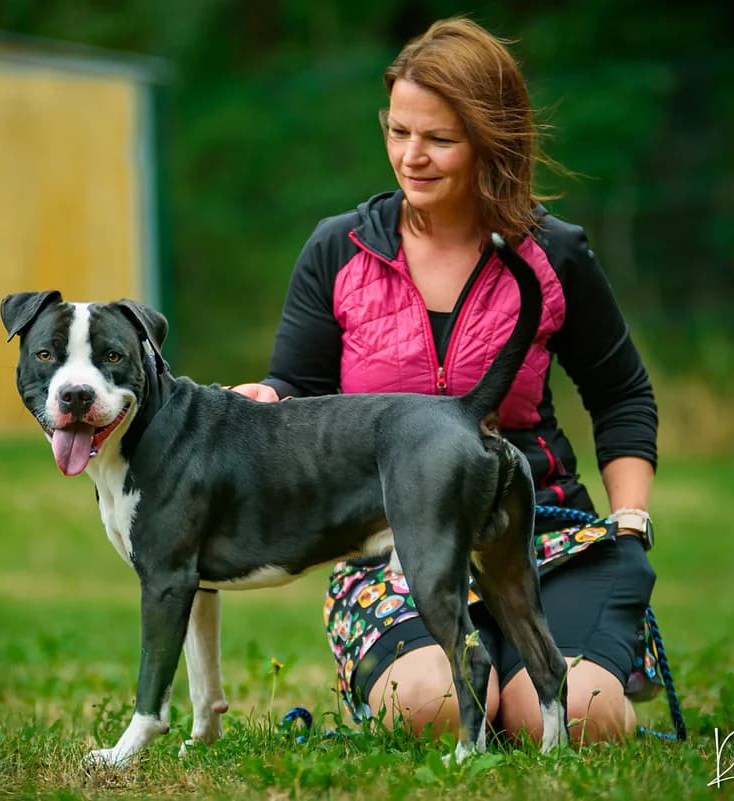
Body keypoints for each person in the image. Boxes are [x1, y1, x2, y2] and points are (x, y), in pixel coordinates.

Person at [232, 17, 658, 746]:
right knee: (433, 708)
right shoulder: (339, 249)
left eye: (438, 138)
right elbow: (295, 388)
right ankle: (479, 687)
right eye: (398, 131)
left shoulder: (555, 254)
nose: (411, 156)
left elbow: (621, 395)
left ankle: (546, 679)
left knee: (583, 714)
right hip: (387, 545)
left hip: (543, 533)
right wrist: (264, 402)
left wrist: (630, 522)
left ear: (491, 140)